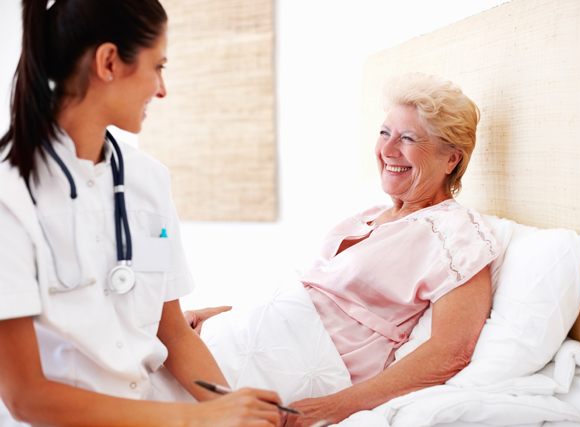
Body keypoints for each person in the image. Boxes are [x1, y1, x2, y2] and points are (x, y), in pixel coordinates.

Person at [0, 1, 281, 426]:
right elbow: (26, 397)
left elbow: (173, 332)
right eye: (158, 66)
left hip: (154, 410)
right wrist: (200, 419)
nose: (162, 89)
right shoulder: (10, 196)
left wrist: (235, 410)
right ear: (109, 62)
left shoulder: (148, 180)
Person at [190, 73, 501, 427]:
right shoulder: (368, 215)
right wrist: (214, 314)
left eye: (408, 138)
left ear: (451, 160)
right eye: (384, 133)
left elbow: (451, 352)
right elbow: (312, 295)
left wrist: (336, 407)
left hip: (296, 367)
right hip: (234, 343)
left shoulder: (456, 234)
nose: (387, 150)